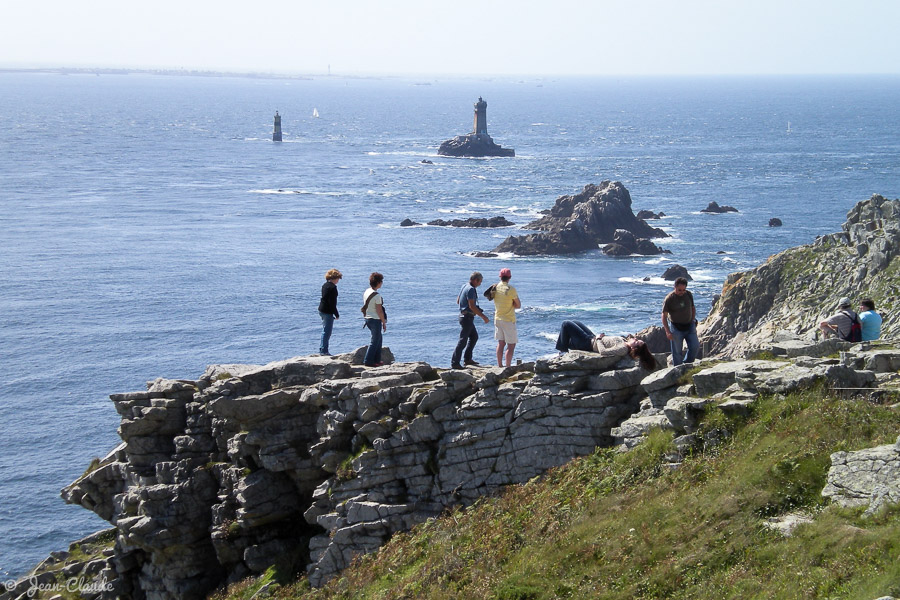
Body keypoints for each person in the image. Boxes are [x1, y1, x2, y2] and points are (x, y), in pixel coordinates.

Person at [555, 320, 657, 371]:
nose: (635, 339)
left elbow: (603, 352)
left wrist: (599, 339)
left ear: (633, 348)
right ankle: (567, 345)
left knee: (566, 324)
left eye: (636, 341)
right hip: (592, 338)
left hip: (588, 343)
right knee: (575, 322)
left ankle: (562, 351)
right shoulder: (625, 342)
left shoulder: (623, 349)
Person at [451, 271, 489, 369]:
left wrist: (464, 307)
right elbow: (472, 306)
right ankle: (455, 363)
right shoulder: (471, 289)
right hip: (466, 318)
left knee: (474, 337)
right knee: (463, 341)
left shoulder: (465, 286)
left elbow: (458, 301)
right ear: (476, 280)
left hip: (464, 316)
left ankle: (467, 359)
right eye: (480, 281)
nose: (480, 283)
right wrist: (483, 316)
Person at [662, 277, 699, 365]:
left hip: (690, 326)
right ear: (675, 287)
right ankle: (678, 370)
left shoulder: (688, 294)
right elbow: (664, 315)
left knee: (695, 346)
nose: (681, 292)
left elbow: (693, 308)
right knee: (677, 352)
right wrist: (667, 331)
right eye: (679, 290)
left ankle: (687, 364)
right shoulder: (669, 298)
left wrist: (693, 319)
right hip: (676, 327)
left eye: (683, 290)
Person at [492, 268, 521, 367]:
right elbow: (518, 305)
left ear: (500, 276)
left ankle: (499, 365)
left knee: (501, 343)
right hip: (508, 319)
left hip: (497, 318)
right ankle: (508, 366)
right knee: (511, 345)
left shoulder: (495, 287)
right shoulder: (511, 289)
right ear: (510, 277)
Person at [362, 272, 387, 367]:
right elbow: (379, 311)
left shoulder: (367, 291)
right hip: (375, 319)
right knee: (374, 341)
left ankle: (377, 359)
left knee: (379, 339)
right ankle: (368, 361)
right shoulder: (377, 296)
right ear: (379, 283)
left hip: (368, 318)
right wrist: (383, 322)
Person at [317, 268, 342, 355]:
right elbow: (332, 303)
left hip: (321, 309)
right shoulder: (332, 288)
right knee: (327, 331)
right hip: (327, 311)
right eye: (338, 279)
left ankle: (322, 348)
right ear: (334, 278)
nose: (338, 281)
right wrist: (336, 314)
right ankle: (324, 351)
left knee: (324, 329)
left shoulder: (325, 285)